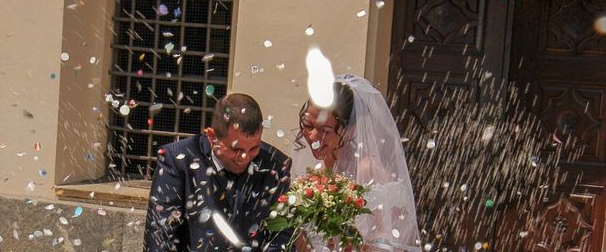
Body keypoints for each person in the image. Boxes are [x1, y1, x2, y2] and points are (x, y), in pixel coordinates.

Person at [144, 93, 292, 252]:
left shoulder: (276, 166)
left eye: (253, 148)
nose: (244, 157)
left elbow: (281, 237)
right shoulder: (178, 160)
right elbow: (160, 236)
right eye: (236, 149)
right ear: (212, 136)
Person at [292, 75, 420, 252]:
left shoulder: (368, 170)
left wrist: (354, 245)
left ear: (350, 131)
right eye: (308, 125)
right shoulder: (314, 171)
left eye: (325, 130)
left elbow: (397, 239)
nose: (312, 136)